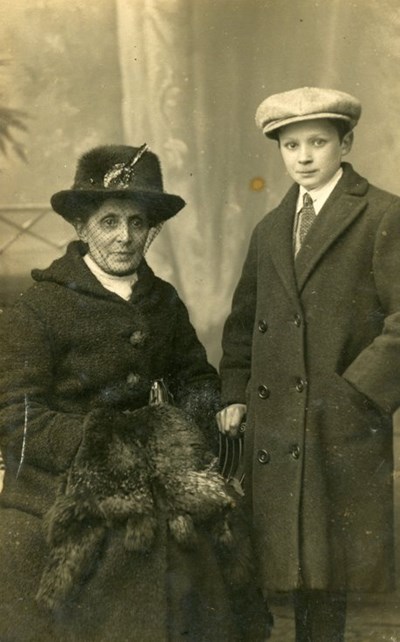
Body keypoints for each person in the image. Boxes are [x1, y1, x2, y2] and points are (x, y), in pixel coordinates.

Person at [0, 144, 268, 642]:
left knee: (209, 558)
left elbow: (197, 381)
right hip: (60, 480)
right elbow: (18, 416)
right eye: (109, 222)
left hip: (156, 474)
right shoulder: (37, 309)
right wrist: (115, 446)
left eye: (137, 223)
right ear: (81, 226)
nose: (124, 237)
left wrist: (184, 440)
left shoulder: (161, 299)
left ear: (151, 229)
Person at [216, 87, 400, 641]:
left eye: (317, 142)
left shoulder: (383, 213)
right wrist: (235, 392)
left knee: (328, 572)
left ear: (345, 144)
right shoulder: (271, 228)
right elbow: (245, 322)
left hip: (336, 419)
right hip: (277, 423)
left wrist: (358, 392)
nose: (303, 156)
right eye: (290, 144)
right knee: (291, 569)